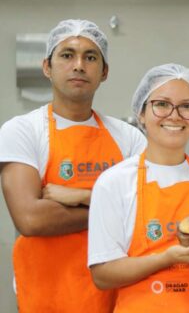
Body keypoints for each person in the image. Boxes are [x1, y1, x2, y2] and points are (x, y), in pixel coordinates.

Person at [0, 19, 146, 312]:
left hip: (116, 296)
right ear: (47, 67)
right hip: (47, 294)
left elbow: (147, 210)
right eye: (67, 55)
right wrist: (114, 208)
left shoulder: (129, 137)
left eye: (90, 57)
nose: (79, 65)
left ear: (104, 72)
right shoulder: (22, 131)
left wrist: (78, 195)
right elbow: (31, 219)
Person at [88, 63, 189, 312]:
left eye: (187, 107)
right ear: (141, 112)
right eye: (161, 104)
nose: (174, 115)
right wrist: (165, 259)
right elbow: (103, 275)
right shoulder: (114, 182)